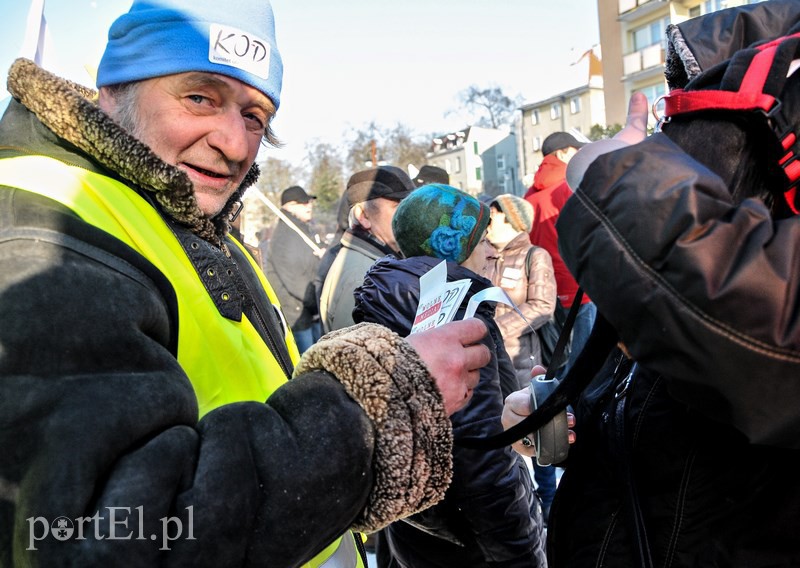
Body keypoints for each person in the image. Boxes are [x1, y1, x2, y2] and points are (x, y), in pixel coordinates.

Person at [0, 1, 494, 566]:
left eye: (255, 116)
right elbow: (102, 538)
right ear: (115, 88)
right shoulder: (41, 232)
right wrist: (375, 404)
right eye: (200, 97)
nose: (235, 144)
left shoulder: (197, 224)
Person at [504, 1, 800, 566]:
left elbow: (766, 341)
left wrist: (619, 187)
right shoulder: (736, 80)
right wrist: (577, 416)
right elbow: (683, 383)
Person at [353, 184, 547, 568]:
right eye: (480, 239)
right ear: (455, 247)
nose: (490, 250)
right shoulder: (457, 316)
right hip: (468, 540)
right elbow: (480, 456)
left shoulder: (394, 299)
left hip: (420, 529)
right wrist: (521, 552)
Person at [484, 193, 559, 523]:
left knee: (535, 439)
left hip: (524, 364)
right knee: (505, 442)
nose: (487, 222)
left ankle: (551, 510)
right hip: (492, 367)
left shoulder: (534, 255)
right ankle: (519, 512)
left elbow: (543, 305)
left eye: (493, 216)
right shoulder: (486, 255)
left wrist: (493, 329)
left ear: (510, 219)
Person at [524, 131, 595, 376]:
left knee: (560, 351)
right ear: (563, 153)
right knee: (587, 358)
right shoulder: (570, 185)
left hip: (546, 285)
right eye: (576, 151)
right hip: (578, 284)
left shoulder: (529, 194)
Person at [319, 165, 413, 332]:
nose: (409, 216)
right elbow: (354, 356)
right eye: (398, 208)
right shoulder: (361, 279)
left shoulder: (378, 267)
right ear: (363, 216)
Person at [265, 185, 323, 353]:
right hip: (298, 316)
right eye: (303, 202)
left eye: (309, 202)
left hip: (309, 311)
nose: (309, 205)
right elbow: (296, 280)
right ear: (289, 206)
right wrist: (317, 303)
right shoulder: (285, 236)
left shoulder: (301, 230)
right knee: (311, 367)